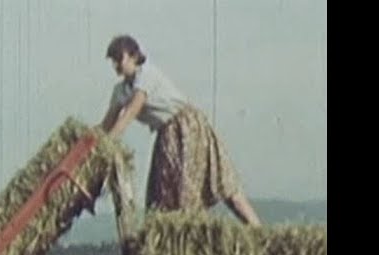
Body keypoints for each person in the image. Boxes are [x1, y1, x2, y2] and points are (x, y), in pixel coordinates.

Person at [100, 35, 262, 226]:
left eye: (120, 59)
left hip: (187, 128)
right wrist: (92, 143)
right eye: (113, 61)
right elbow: (107, 124)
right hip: (166, 135)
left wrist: (105, 146)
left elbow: (130, 112)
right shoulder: (120, 90)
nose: (117, 65)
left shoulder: (146, 75)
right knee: (162, 198)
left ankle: (258, 232)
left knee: (220, 184)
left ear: (134, 56)